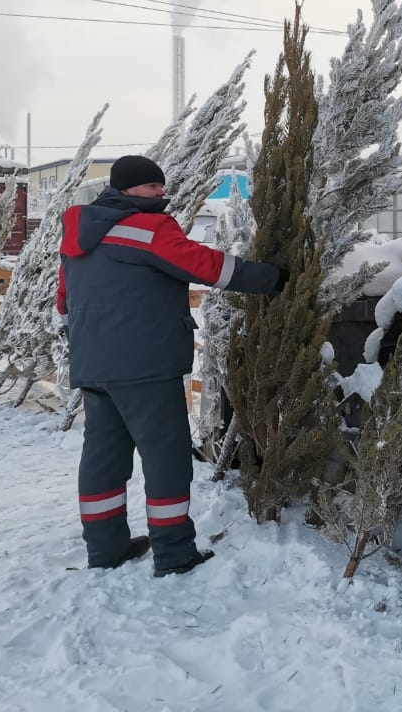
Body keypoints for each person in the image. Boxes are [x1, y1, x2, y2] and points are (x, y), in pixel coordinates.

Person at [57, 154, 283, 576]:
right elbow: (207, 266)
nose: (161, 194)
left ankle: (106, 549)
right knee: (166, 458)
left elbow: (64, 302)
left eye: (161, 187)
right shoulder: (147, 228)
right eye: (152, 188)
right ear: (128, 190)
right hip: (144, 363)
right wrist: (274, 278)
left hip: (93, 364)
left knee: (103, 458)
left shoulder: (76, 236)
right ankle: (175, 554)